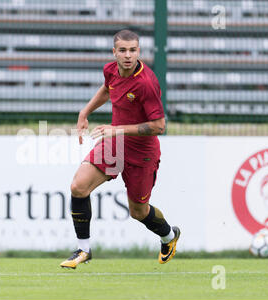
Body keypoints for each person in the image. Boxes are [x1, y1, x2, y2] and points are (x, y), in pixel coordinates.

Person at [60, 29, 180, 269]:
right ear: (114, 52)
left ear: (139, 52)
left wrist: (119, 129)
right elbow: (107, 89)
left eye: (133, 50)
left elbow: (159, 126)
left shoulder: (147, 83)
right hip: (115, 144)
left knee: (138, 211)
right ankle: (83, 249)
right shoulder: (110, 70)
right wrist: (85, 112)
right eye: (123, 50)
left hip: (142, 153)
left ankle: (169, 236)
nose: (128, 55)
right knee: (78, 186)